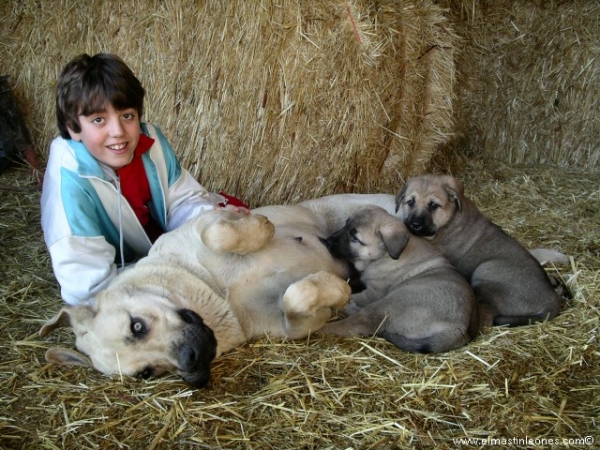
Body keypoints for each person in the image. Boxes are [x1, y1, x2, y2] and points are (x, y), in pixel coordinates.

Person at [41, 53, 248, 306]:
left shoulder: (149, 140)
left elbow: (181, 199)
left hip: (157, 248)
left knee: (236, 222)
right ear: (74, 129)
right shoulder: (69, 185)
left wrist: (210, 221)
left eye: (127, 116)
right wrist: (173, 269)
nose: (118, 132)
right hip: (122, 271)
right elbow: (88, 288)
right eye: (98, 120)